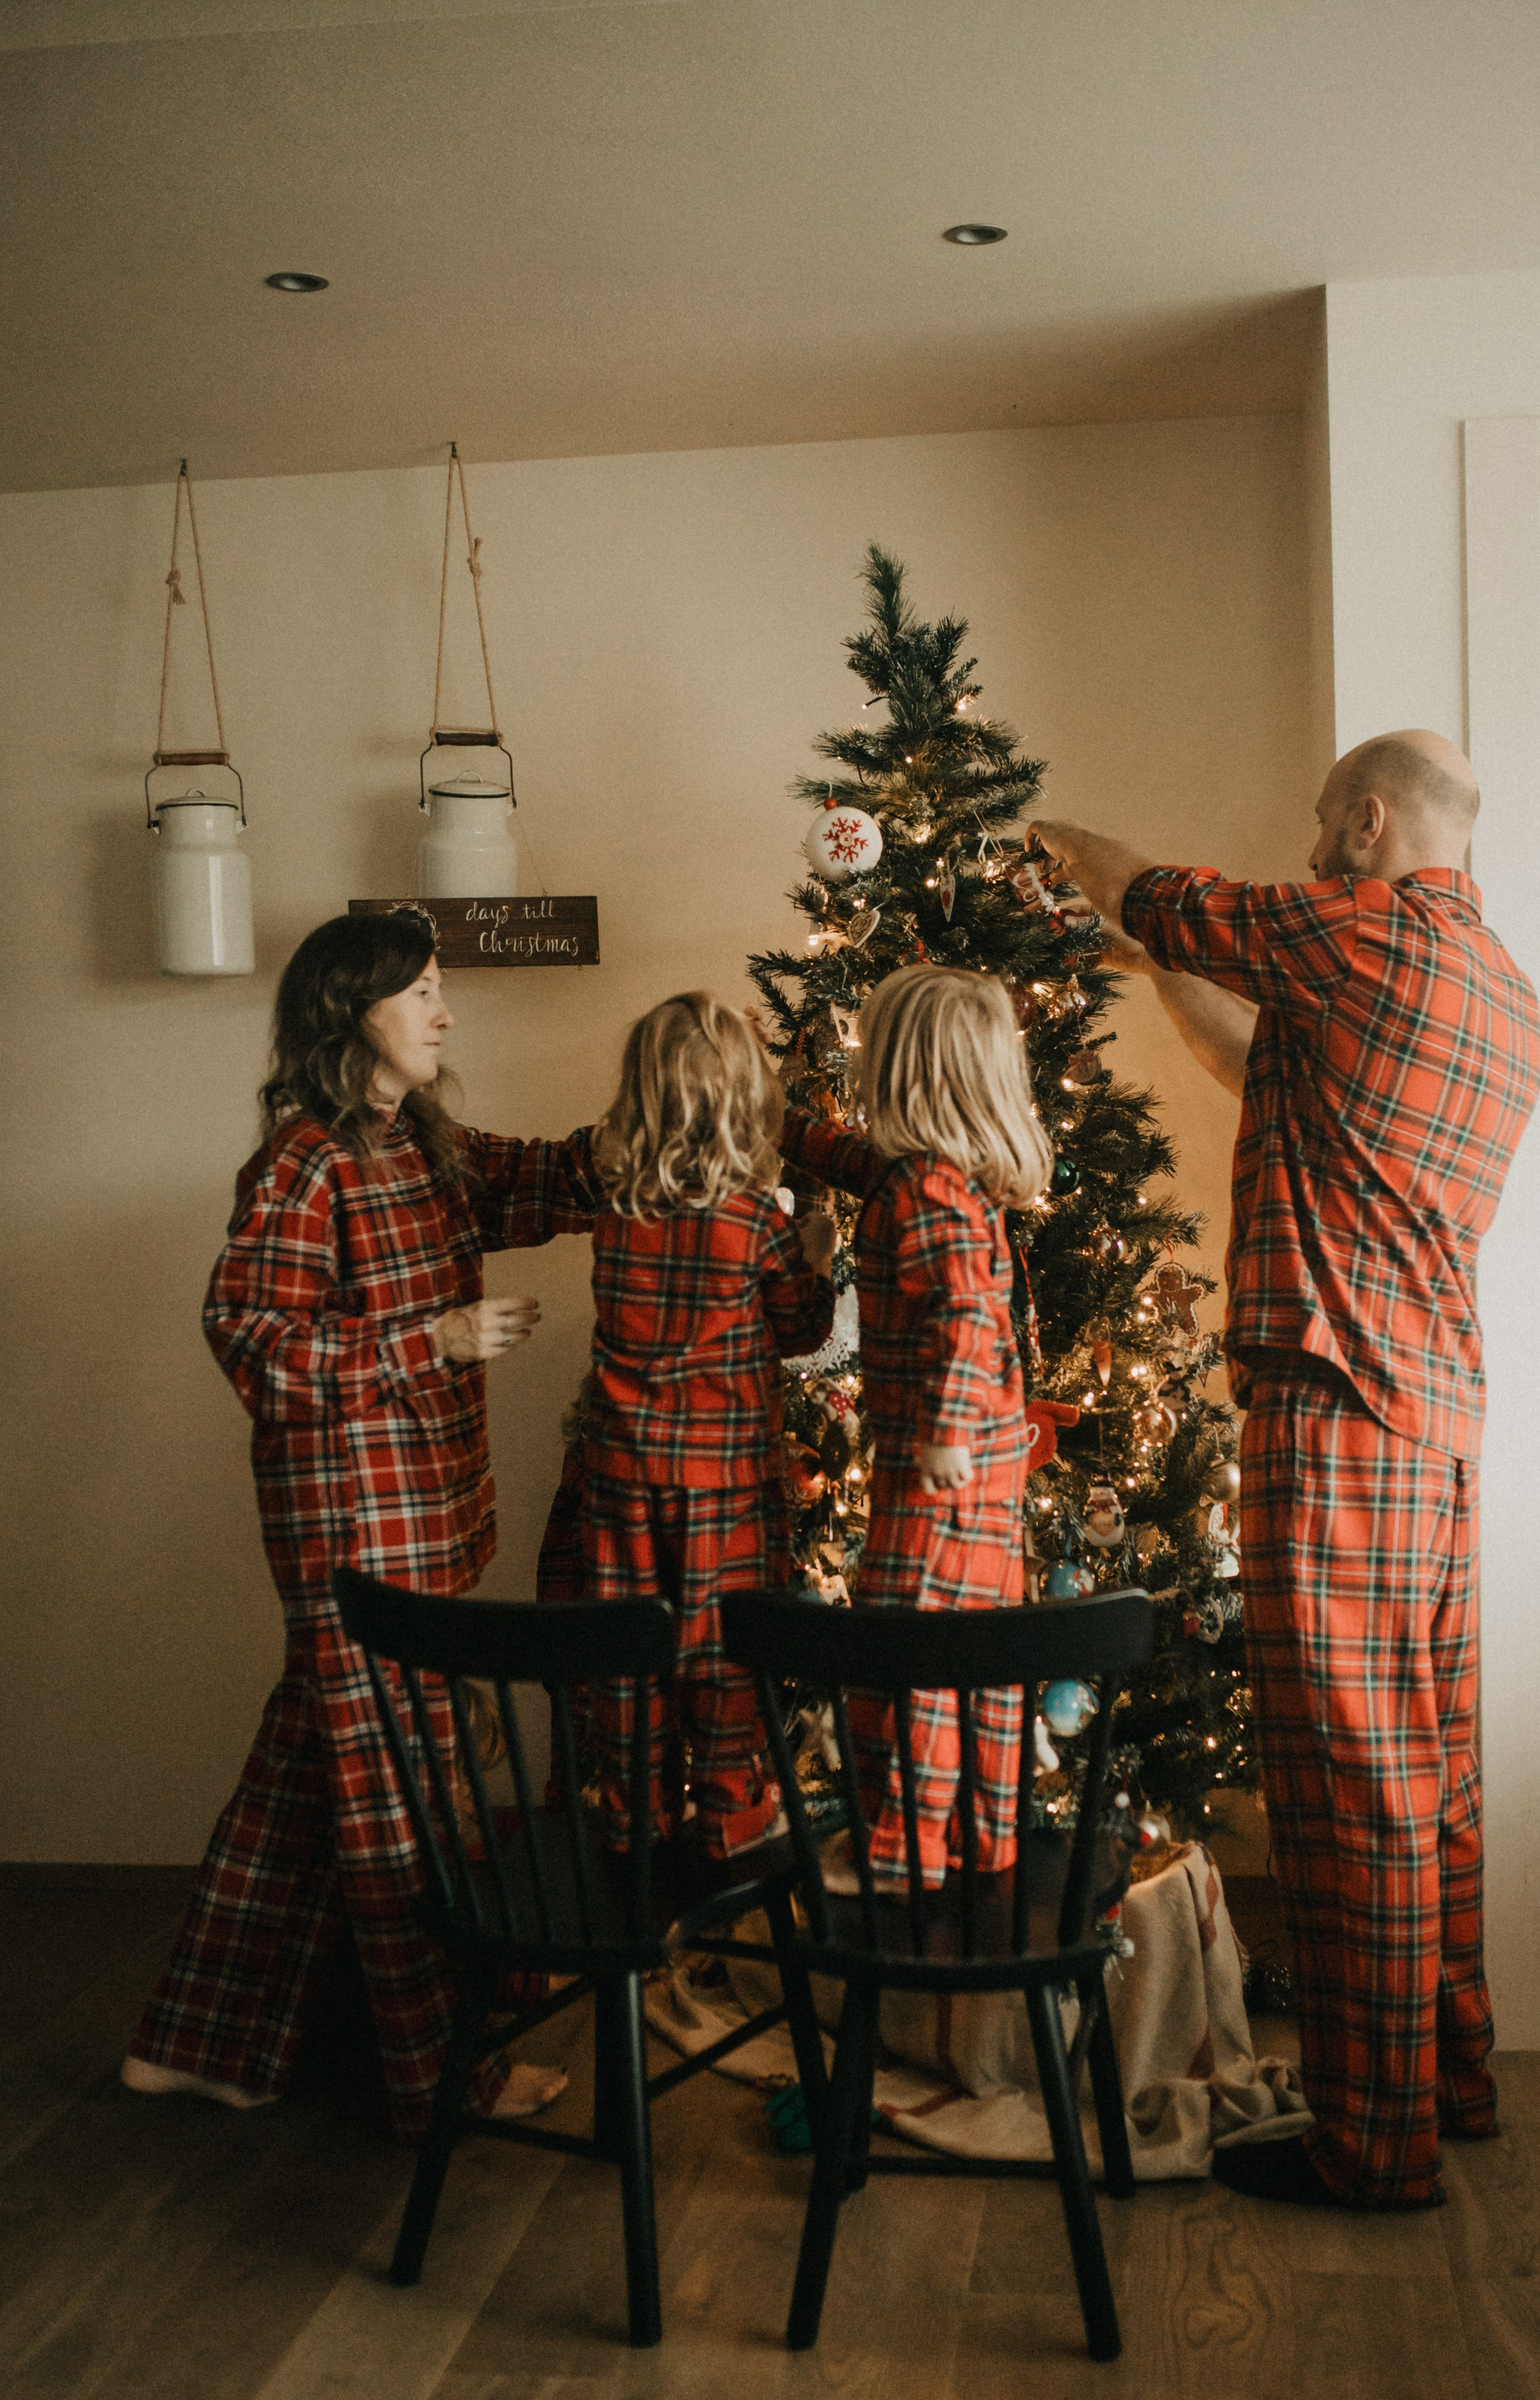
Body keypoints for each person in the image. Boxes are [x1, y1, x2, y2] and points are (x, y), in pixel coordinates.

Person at [1033, 730, 1540, 2212]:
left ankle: (1371, 2145)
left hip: (1335, 1414)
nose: (1314, 849)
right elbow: (1242, 1051)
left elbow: (1172, 898)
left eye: (1328, 827)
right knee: (1428, 1775)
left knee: (1349, 1781)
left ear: (1370, 821)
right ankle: (1446, 2077)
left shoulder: (1368, 922)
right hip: (1429, 1421)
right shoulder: (1489, 984)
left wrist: (1061, 844)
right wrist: (1147, 969)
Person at [124, 911, 587, 2138]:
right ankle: (446, 2076)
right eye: (423, 991)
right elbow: (251, 1337)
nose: (444, 1011)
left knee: (306, 1771)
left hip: (426, 1513)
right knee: (400, 1797)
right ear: (353, 1013)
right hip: (351, 1527)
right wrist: (423, 1341)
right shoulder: (304, 1162)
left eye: (442, 988)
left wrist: (674, 1133)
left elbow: (543, 1178)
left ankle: (195, 2046)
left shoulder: (421, 1144)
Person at [535, 992, 837, 1853]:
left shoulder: (616, 1214)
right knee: (724, 1656)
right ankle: (730, 1811)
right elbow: (799, 1331)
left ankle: (637, 1815)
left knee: (631, 1652)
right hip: (725, 1487)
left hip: (620, 1478)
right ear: (746, 1105)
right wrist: (812, 1258)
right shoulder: (756, 1225)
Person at [781, 964, 1053, 1889]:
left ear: (904, 1076)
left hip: (945, 1474)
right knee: (964, 1654)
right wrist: (776, 1123)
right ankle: (978, 1836)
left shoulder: (927, 1195)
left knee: (920, 1653)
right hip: (973, 1472)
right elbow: (852, 1162)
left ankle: (910, 1851)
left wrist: (944, 1430)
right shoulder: (927, 1177)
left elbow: (966, 1318)